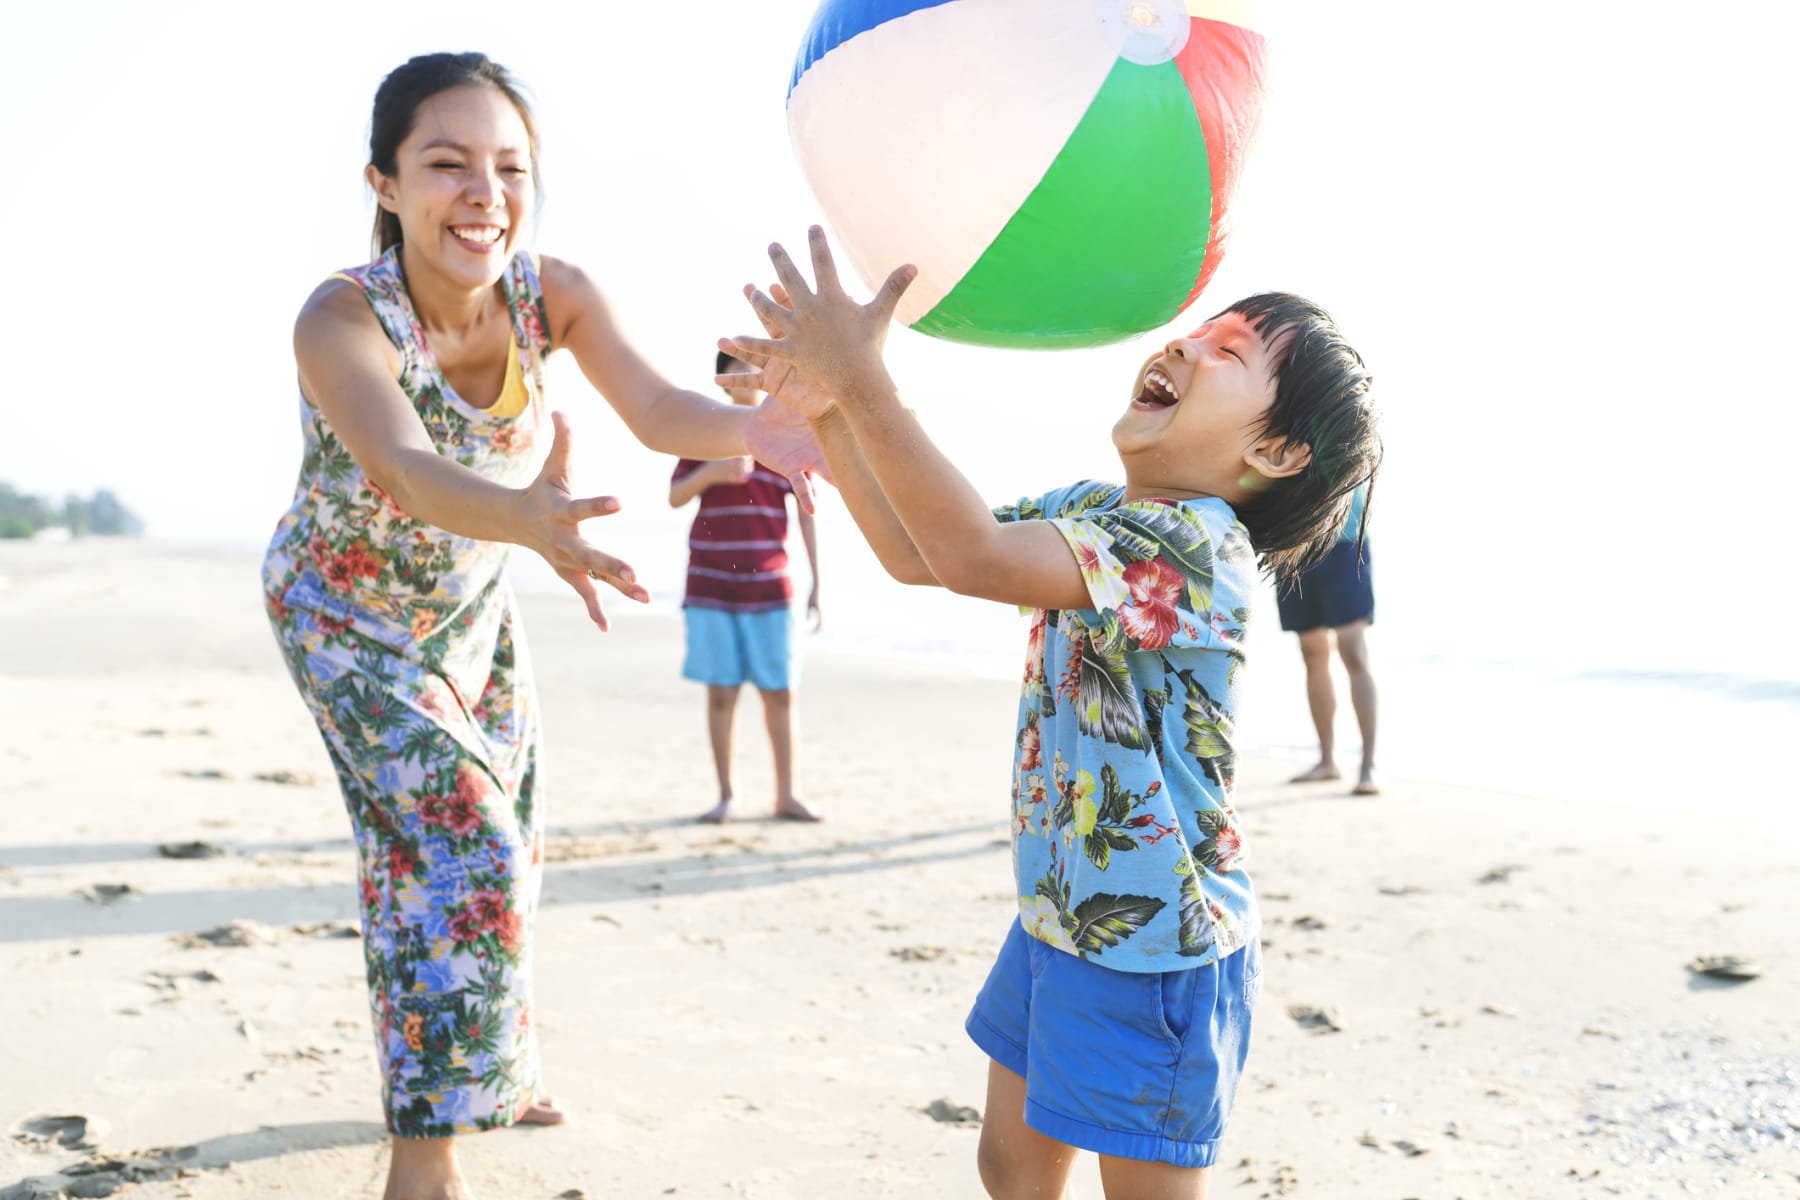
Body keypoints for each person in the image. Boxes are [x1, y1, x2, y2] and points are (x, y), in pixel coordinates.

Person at [259, 54, 821, 1200]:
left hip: (472, 610)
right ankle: (426, 1157)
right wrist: (531, 518)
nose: (485, 193)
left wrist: (764, 434)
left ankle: (494, 1065)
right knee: (452, 845)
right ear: (385, 180)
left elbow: (663, 407)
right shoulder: (340, 319)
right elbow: (407, 473)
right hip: (346, 618)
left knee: (511, 848)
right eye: (447, 164)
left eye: (509, 167)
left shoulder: (550, 295)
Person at [718, 229, 1380, 1199]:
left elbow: (975, 552)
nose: (1183, 347)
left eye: (1228, 353)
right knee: (1010, 1170)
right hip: (1057, 916)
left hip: (1159, 950)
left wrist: (867, 387)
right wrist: (831, 418)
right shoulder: (1092, 510)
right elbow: (925, 549)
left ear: (1274, 452)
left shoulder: (1201, 551)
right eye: (1194, 332)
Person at [670, 351, 823, 824]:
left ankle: (787, 794)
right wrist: (713, 472)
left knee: (781, 692)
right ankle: (726, 794)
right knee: (721, 692)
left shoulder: (780, 432)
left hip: (771, 587)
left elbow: (806, 509)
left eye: (753, 369)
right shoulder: (705, 432)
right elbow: (675, 496)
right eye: (736, 369)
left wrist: (818, 582)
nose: (746, 378)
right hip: (710, 585)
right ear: (723, 380)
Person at [1277, 482, 1378, 794]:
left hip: (1345, 543)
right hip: (1293, 547)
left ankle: (1368, 765)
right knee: (1312, 652)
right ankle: (1327, 760)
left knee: (1353, 651)